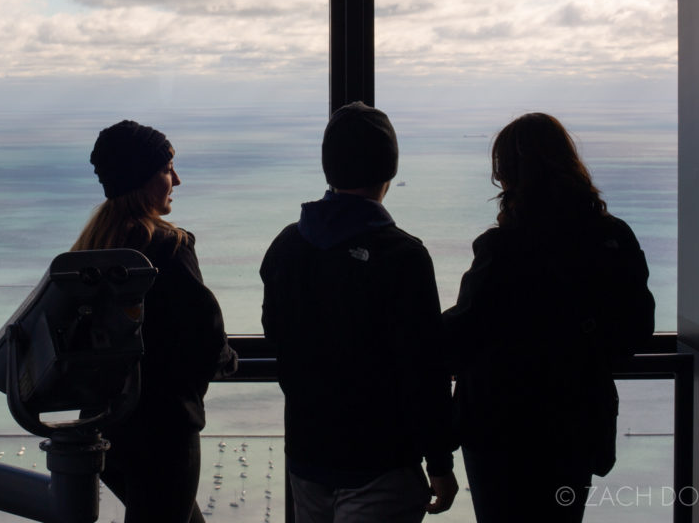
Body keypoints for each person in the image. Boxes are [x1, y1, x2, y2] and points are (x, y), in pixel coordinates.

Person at [442, 112, 656, 523]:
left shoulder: (503, 250)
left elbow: (461, 334)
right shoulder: (613, 238)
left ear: (509, 176)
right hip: (575, 421)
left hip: (499, 429)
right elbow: (636, 329)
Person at [260, 102, 459, 523]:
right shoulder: (403, 256)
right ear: (388, 171)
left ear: (328, 168)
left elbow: (277, 336)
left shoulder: (287, 247)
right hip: (382, 463)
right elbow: (424, 370)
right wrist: (440, 464)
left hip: (306, 456)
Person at [72, 119, 237, 523]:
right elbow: (206, 336)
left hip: (106, 429)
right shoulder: (167, 246)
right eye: (166, 170)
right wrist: (227, 359)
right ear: (142, 178)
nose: (176, 180)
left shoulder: (92, 247)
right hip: (164, 434)